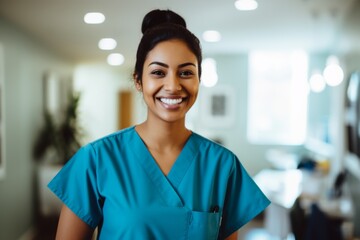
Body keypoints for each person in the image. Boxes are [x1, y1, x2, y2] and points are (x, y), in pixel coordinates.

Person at [48, 9, 270, 240]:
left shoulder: (222, 165)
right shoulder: (96, 160)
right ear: (138, 81)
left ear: (198, 81)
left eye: (185, 72)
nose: (173, 85)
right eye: (158, 72)